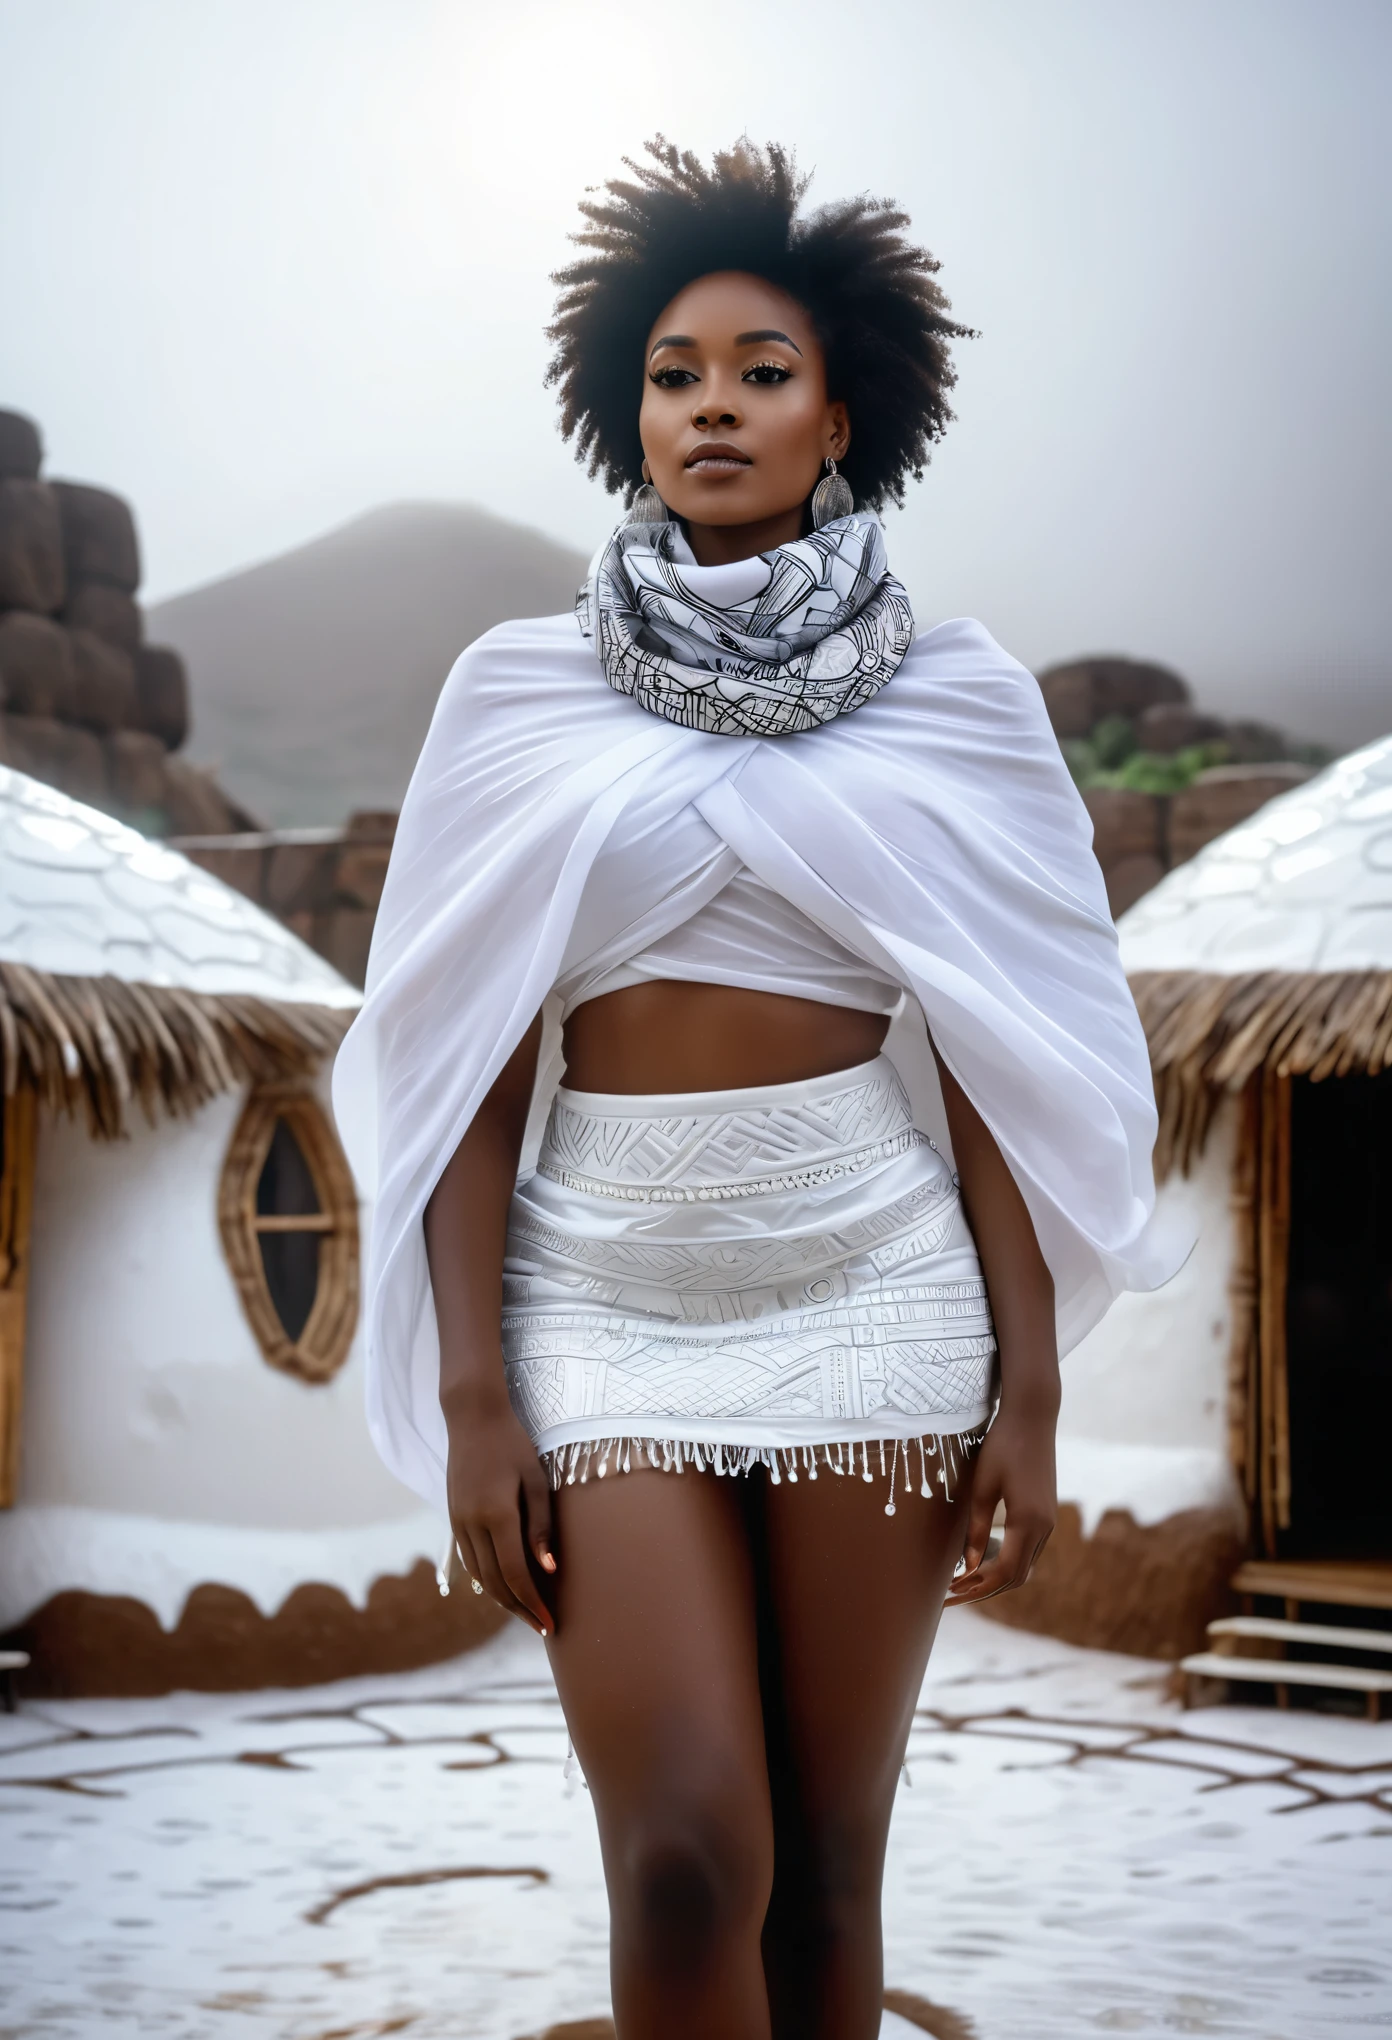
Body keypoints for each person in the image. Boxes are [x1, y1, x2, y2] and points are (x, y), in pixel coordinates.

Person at [334, 139, 1176, 2040]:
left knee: (824, 1873)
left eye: (761, 368)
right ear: (622, 408)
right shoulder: (514, 692)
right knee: (689, 1854)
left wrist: (1029, 1390)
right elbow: (463, 1053)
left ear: (843, 408)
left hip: (873, 1295)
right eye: (675, 371)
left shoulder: (960, 699)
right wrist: (476, 1393)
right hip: (599, 1303)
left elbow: (993, 1054)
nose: (713, 404)